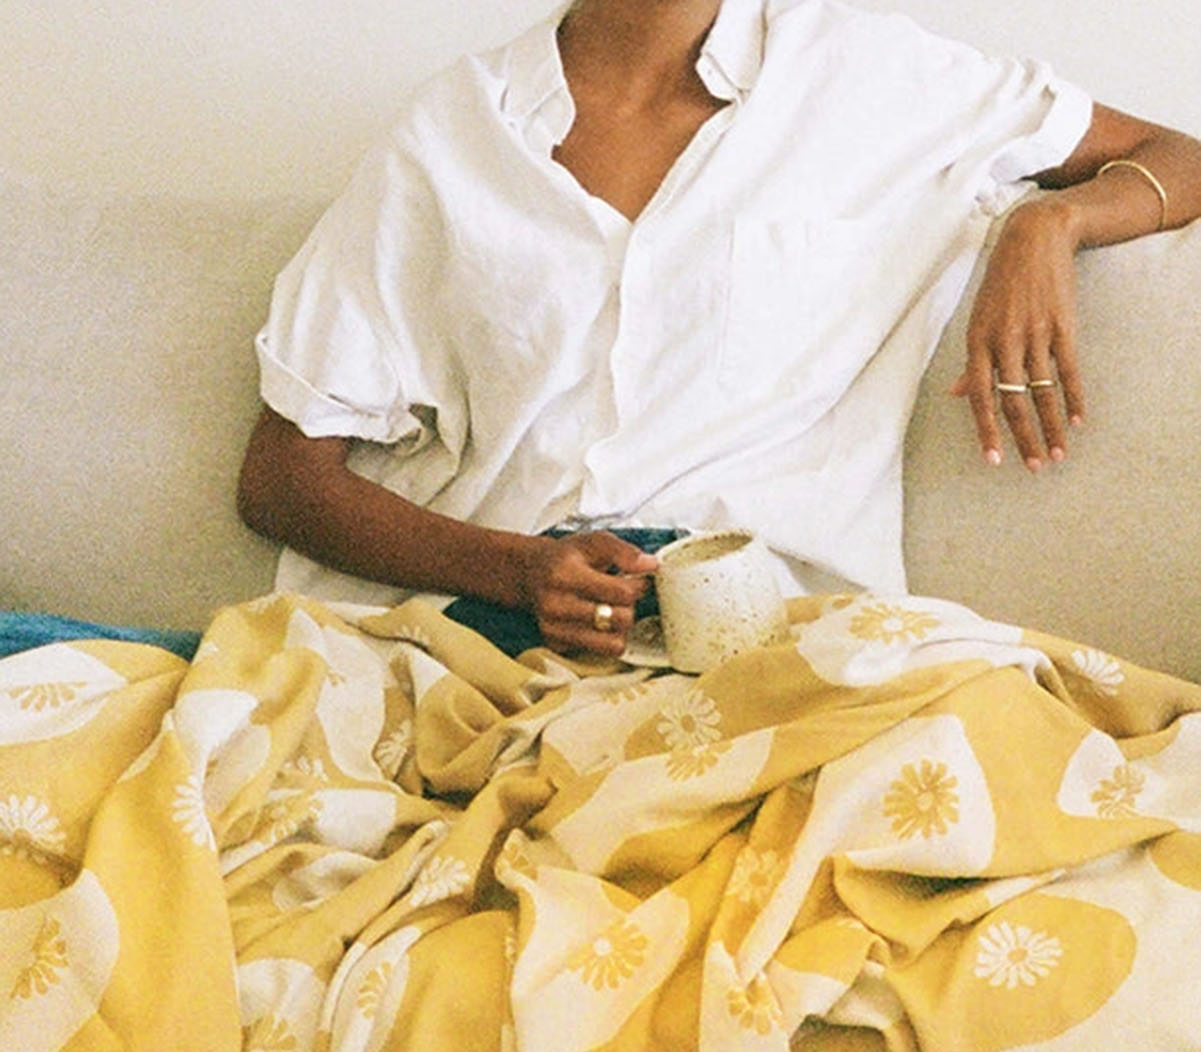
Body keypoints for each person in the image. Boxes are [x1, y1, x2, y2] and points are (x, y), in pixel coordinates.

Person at [237, 0, 1201, 660]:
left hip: (774, 644)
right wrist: (519, 570)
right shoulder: (448, 132)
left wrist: (1046, 224)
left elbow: (1177, 157)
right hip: (478, 639)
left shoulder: (875, 80)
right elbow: (282, 479)